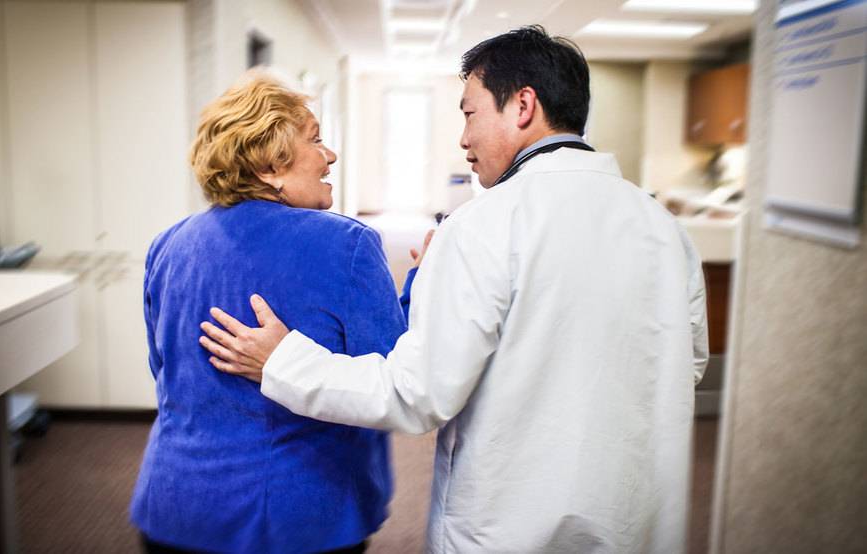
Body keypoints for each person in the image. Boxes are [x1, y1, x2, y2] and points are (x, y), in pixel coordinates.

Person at [200, 27, 709, 553]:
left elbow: (416, 395)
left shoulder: (481, 226)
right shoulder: (664, 228)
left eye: (469, 114)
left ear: (523, 106)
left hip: (512, 529)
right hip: (633, 521)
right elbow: (684, 362)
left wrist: (283, 361)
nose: (463, 139)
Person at [130, 70, 418, 553]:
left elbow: (165, 370)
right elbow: (391, 383)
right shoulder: (346, 245)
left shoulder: (167, 245)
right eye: (316, 139)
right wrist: (420, 286)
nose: (331, 155)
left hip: (174, 505)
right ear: (269, 166)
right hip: (293, 518)